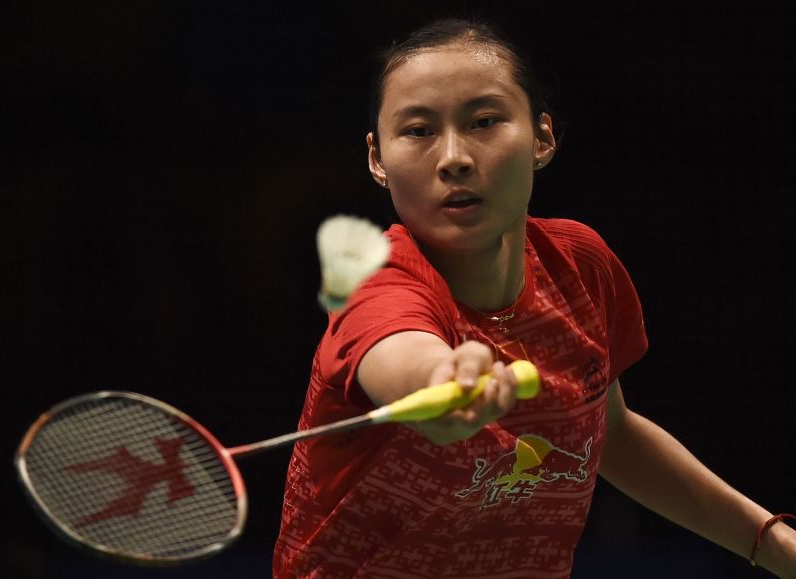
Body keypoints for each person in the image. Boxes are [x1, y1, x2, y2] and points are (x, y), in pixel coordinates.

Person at [273, 18, 796, 578]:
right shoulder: (373, 278)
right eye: (419, 131)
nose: (453, 156)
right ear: (378, 159)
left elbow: (612, 434)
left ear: (542, 138)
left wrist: (776, 546)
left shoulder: (580, 265)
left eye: (484, 121)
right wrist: (444, 382)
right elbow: (402, 354)